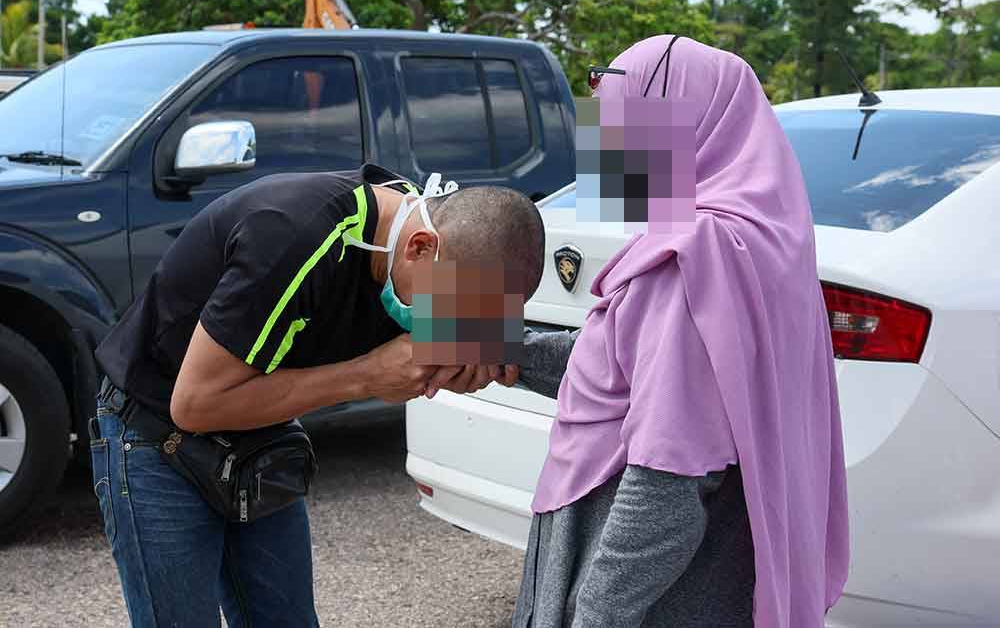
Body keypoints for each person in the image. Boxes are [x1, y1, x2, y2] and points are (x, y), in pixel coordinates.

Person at [90, 162, 543, 627]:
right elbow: (194, 405)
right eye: (450, 312)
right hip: (158, 436)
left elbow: (480, 335)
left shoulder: (429, 241)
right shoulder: (293, 237)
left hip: (255, 432)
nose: (446, 328)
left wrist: (477, 360)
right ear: (420, 247)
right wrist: (366, 377)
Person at [512, 36, 849, 628]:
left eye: (618, 124)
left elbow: (666, 487)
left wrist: (596, 615)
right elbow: (625, 368)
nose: (600, 153)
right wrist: (496, 348)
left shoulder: (690, 261)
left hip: (663, 598)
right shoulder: (763, 244)